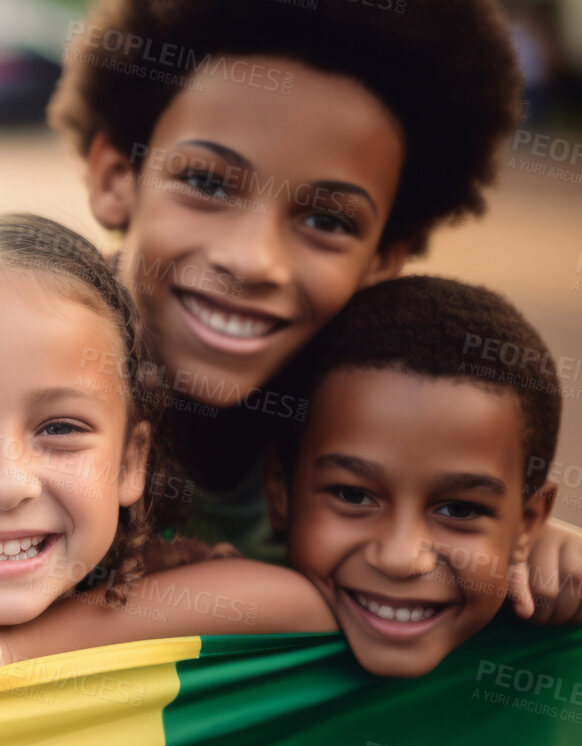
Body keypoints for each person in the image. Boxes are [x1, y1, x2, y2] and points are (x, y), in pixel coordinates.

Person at [45, 0, 531, 567]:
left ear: (383, 258)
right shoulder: (14, 363)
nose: (254, 262)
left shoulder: (367, 409)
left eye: (327, 221)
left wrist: (528, 545)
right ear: (116, 178)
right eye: (207, 182)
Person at [0, 215, 330, 709]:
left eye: (59, 429)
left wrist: (8, 652)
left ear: (130, 463)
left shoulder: (153, 590)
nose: (7, 485)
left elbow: (302, 608)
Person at [266, 276, 564, 677]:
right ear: (280, 492)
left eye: (459, 509)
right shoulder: (201, 612)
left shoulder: (553, 664)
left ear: (528, 524)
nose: (401, 559)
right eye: (353, 496)